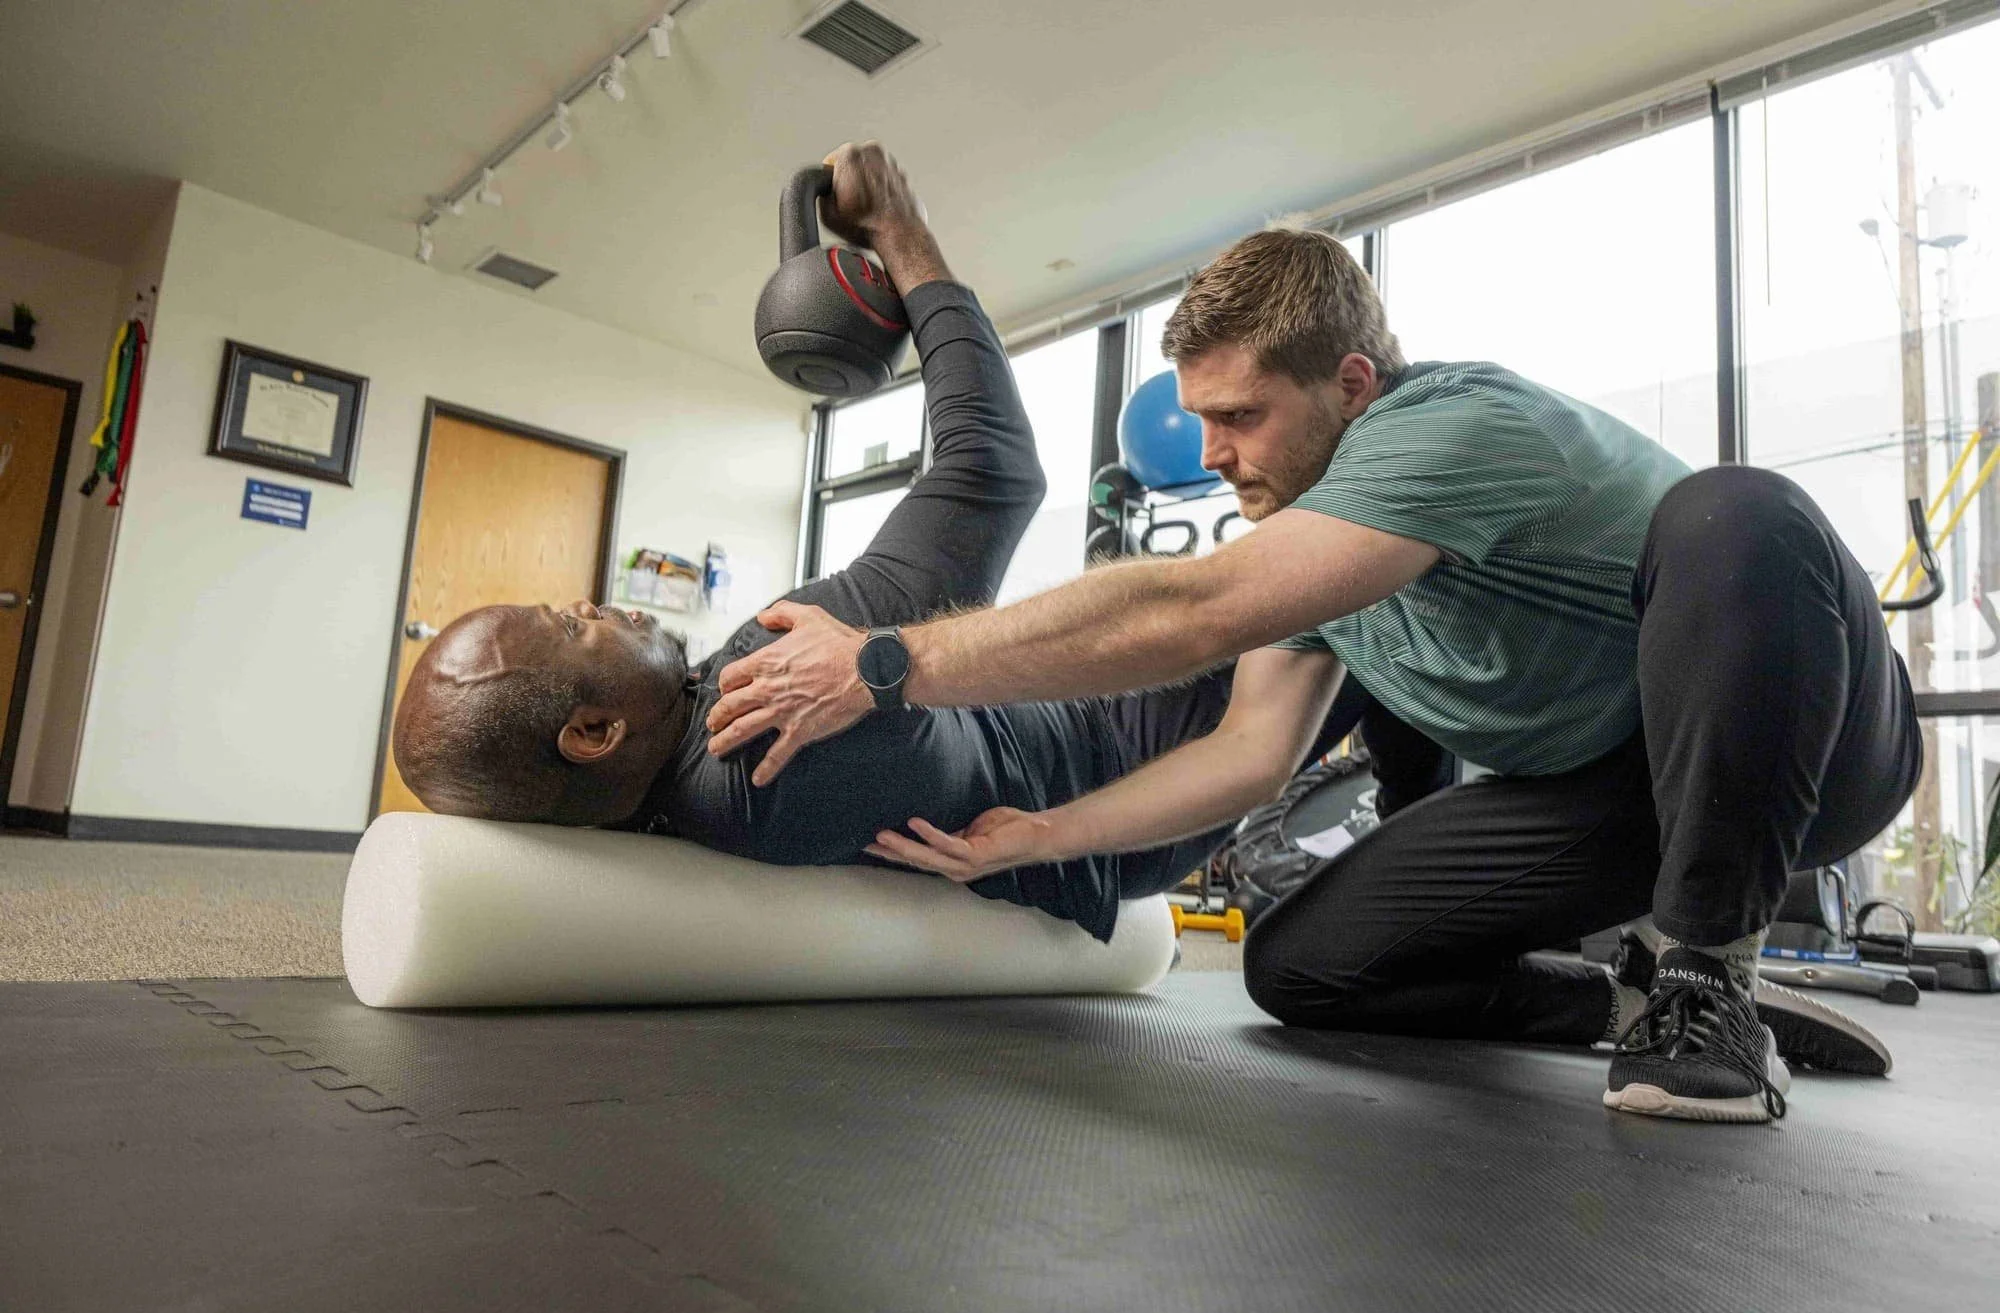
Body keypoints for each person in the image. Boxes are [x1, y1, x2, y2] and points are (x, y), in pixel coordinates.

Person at [707, 149, 1919, 1124]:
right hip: (1609, 795)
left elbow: (1194, 609)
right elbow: (1247, 753)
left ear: (1349, 382)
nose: (1215, 452)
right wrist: (1039, 836)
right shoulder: (1314, 527)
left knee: (1733, 509)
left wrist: (885, 662)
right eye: (1199, 418)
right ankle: (1631, 1003)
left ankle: (1710, 976)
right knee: (1301, 967)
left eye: (1239, 415)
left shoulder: (1450, 424)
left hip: (1807, 746)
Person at [391, 142, 1360, 943]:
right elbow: (989, 470)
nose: (594, 602)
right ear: (592, 733)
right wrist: (902, 233)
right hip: (1138, 751)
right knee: (1371, 556)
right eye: (570, 624)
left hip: (1099, 752)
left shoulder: (695, 776)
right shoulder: (761, 708)